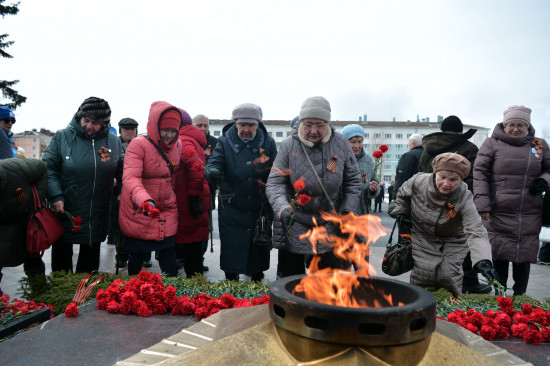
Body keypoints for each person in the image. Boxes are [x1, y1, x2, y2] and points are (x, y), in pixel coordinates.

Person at [266, 96, 362, 277]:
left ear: (328, 123)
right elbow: (275, 182)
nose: (313, 131)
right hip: (295, 221)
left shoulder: (341, 143)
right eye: (308, 124)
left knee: (326, 282)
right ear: (301, 122)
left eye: (320, 125)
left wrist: (348, 210)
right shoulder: (288, 145)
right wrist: (283, 208)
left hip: (330, 222)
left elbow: (353, 180)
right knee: (291, 281)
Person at [390, 153, 499, 297]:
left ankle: (449, 313)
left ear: (461, 179)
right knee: (424, 274)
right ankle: (419, 306)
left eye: (453, 180)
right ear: (435, 173)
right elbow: (402, 195)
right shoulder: (418, 181)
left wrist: (483, 260)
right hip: (423, 235)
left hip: (453, 239)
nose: (446, 184)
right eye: (442, 177)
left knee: (448, 275)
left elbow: (475, 229)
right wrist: (402, 213)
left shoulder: (465, 197)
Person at [474, 105, 550, 295]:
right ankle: (500, 294)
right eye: (512, 124)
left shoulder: (538, 144)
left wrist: (544, 180)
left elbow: (549, 169)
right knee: (499, 252)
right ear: (504, 124)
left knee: (524, 253)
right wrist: (483, 204)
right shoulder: (492, 143)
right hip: (499, 208)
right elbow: (480, 173)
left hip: (530, 209)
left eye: (521, 125)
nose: (516, 129)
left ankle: (520, 295)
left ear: (528, 126)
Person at [43, 97, 123, 273]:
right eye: (86, 120)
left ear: (104, 123)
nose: (89, 126)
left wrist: (121, 189)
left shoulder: (113, 141)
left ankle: (84, 291)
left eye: (95, 123)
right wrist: (55, 196)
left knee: (91, 253)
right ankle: (60, 291)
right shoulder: (62, 136)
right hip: (66, 208)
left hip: (98, 208)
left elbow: (123, 169)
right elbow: (48, 169)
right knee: (62, 253)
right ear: (79, 117)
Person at [207, 103, 277, 281]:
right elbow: (216, 161)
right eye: (242, 125)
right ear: (235, 124)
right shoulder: (224, 142)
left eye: (251, 125)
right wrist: (213, 171)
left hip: (258, 203)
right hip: (232, 203)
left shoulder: (267, 142)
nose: (246, 129)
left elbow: (275, 169)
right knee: (232, 243)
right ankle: (231, 278)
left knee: (257, 244)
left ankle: (256, 276)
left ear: (257, 124)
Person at [418, 115, 486, 294]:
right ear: (460, 132)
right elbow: (472, 178)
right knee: (461, 243)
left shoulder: (428, 148)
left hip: (430, 203)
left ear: (441, 131)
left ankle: (431, 282)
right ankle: (469, 283)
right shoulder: (469, 148)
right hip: (456, 204)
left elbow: (422, 175)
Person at [119, 101, 182, 277]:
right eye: (165, 130)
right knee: (138, 252)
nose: (169, 135)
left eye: (173, 131)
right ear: (156, 127)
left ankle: (171, 291)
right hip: (141, 207)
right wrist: (145, 201)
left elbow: (174, 175)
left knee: (168, 251)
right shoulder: (138, 144)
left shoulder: (178, 145)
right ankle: (133, 290)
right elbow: (131, 178)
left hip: (166, 207)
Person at [174, 109, 210, 278]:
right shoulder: (189, 139)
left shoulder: (184, 141)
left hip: (188, 200)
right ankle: (194, 283)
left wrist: (193, 197)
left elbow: (196, 169)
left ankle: (194, 289)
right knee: (192, 244)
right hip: (191, 198)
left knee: (191, 245)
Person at [107, 118, 141, 268]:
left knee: (141, 223)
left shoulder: (141, 143)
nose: (129, 131)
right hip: (118, 192)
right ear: (120, 130)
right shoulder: (113, 144)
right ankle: (121, 255)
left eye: (132, 128)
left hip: (138, 190)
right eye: (126, 128)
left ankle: (144, 256)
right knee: (119, 225)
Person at [193, 114, 218, 272]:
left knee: (204, 228)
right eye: (199, 125)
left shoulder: (215, 143)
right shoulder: (188, 141)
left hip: (208, 193)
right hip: (190, 191)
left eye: (206, 125)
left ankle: (199, 259)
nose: (203, 129)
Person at [340, 124, 379, 215]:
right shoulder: (337, 159)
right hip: (341, 212)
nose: (357, 146)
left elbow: (375, 181)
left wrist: (373, 189)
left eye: (360, 141)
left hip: (362, 212)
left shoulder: (368, 160)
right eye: (353, 142)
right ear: (345, 142)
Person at [390, 133, 423, 203]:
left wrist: (395, 198)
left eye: (409, 145)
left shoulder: (408, 156)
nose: (409, 147)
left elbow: (401, 178)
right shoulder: (428, 155)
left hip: (410, 198)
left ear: (413, 144)